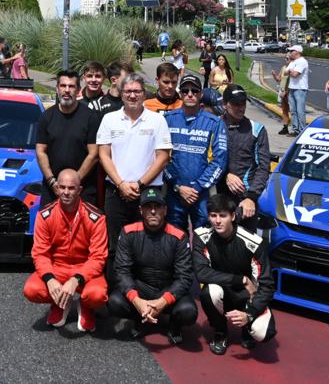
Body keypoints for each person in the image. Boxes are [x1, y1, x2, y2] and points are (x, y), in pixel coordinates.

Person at [97, 74, 173, 260]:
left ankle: (143, 288)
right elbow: (103, 155)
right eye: (128, 91)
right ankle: (116, 287)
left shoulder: (157, 120)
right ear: (121, 94)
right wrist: (121, 184)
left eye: (137, 91)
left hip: (148, 193)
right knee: (114, 245)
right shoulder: (109, 119)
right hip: (115, 192)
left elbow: (162, 157)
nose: (133, 96)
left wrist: (139, 185)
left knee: (146, 245)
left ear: (144, 94)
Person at [107, 186, 196, 344]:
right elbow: (122, 271)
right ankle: (139, 318)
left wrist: (163, 301)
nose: (153, 211)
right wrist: (137, 300)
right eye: (148, 207)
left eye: (157, 207)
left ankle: (174, 326)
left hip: (167, 289)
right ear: (141, 211)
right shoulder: (128, 232)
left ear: (165, 210)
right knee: (114, 302)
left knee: (188, 311)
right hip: (141, 288)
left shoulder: (179, 236)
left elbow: (184, 277)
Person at [22, 169, 108, 332]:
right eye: (62, 187)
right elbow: (40, 253)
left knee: (97, 295)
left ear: (80, 190)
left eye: (71, 188)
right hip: (57, 268)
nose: (66, 192)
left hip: (85, 269)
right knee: (31, 290)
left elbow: (98, 257)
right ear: (57, 189)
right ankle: (59, 302)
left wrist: (76, 279)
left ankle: (86, 305)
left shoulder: (96, 218)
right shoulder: (45, 215)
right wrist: (50, 279)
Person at [194, 192, 276, 355]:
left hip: (247, 296)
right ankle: (220, 332)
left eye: (222, 216)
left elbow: (267, 285)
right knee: (209, 292)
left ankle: (247, 328)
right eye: (213, 215)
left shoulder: (253, 242)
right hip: (224, 290)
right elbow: (201, 273)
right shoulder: (201, 235)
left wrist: (250, 313)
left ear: (232, 216)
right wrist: (241, 279)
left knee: (263, 333)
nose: (217, 221)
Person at [163, 73, 227, 232]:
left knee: (204, 239)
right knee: (174, 240)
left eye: (194, 90)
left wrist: (197, 187)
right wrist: (178, 186)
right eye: (185, 91)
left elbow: (220, 160)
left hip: (203, 194)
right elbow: (159, 158)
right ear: (180, 94)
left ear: (201, 94)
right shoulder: (166, 119)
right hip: (174, 192)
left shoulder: (215, 123)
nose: (190, 94)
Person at [36, 70, 100, 205]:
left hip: (83, 188)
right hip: (52, 188)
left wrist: (73, 184)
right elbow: (40, 151)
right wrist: (52, 181)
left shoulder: (90, 117)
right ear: (57, 88)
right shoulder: (46, 117)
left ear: (78, 90)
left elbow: (94, 154)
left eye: (71, 86)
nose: (67, 90)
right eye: (63, 86)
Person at [217, 86, 269, 228]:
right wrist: (226, 174)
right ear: (224, 104)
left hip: (245, 200)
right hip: (218, 198)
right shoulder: (214, 125)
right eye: (235, 104)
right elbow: (207, 159)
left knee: (244, 247)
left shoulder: (257, 129)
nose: (240, 108)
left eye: (243, 104)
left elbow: (263, 167)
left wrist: (251, 198)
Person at [281, 45, 310, 135]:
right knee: (293, 111)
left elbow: (295, 74)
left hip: (300, 89)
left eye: (291, 51)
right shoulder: (293, 62)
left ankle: (301, 130)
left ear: (297, 52)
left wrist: (290, 70)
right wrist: (290, 70)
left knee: (300, 111)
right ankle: (295, 129)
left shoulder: (302, 62)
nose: (290, 53)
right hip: (292, 87)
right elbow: (285, 72)